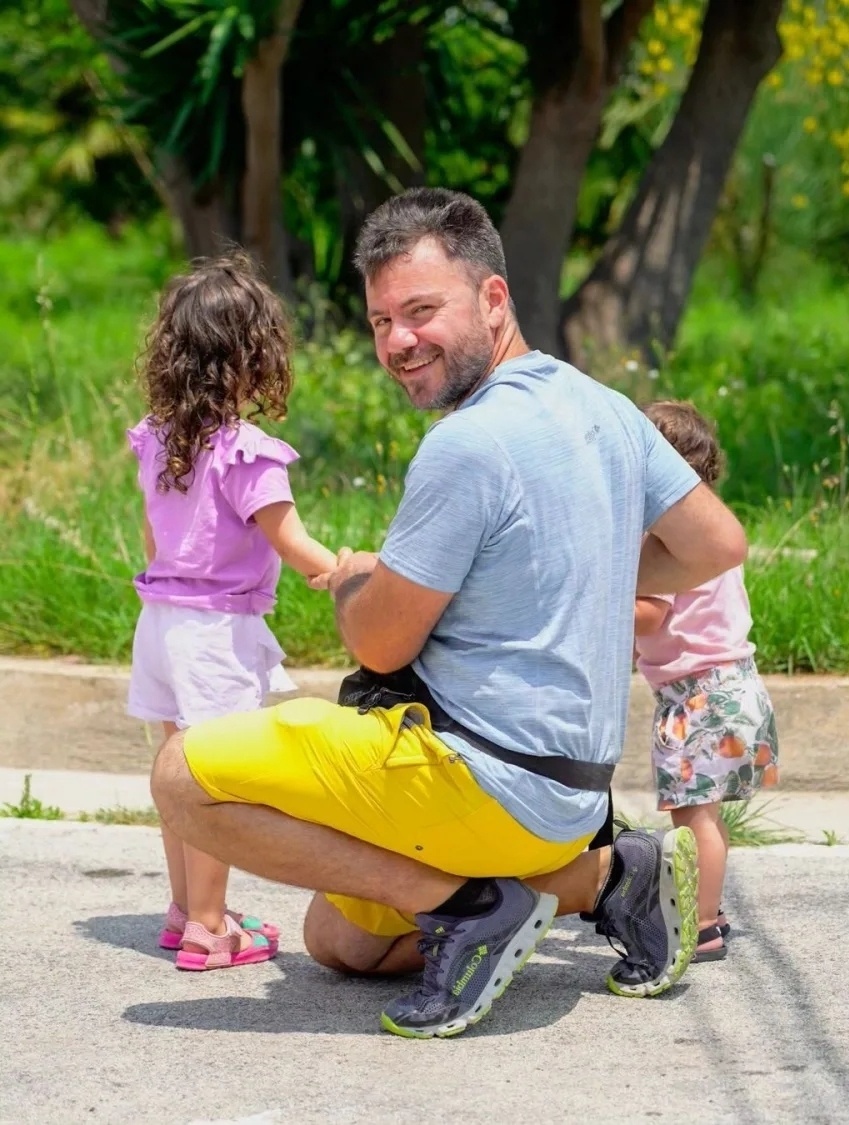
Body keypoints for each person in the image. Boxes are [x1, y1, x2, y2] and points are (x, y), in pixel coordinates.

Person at [150, 188, 748, 1037]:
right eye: (380, 319)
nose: (398, 340)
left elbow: (381, 638)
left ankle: (473, 909)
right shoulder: (605, 407)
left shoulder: (465, 444)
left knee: (182, 780)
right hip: (571, 805)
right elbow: (717, 544)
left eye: (421, 310)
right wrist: (580, 562)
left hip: (480, 778)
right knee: (337, 942)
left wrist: (361, 576)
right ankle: (612, 878)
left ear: (493, 298)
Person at [127, 252, 336, 971]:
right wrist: (337, 570)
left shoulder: (157, 438)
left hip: (159, 621)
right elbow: (290, 537)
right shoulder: (248, 452)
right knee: (212, 779)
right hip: (215, 630)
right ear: (253, 356)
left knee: (176, 773)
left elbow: (152, 534)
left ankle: (186, 907)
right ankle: (212, 929)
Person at [633, 400, 779, 961]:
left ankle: (704, 924)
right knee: (704, 815)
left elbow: (650, 615)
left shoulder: (667, 539)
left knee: (693, 819)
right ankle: (705, 909)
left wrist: (595, 609)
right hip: (731, 684)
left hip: (699, 696)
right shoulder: (708, 524)